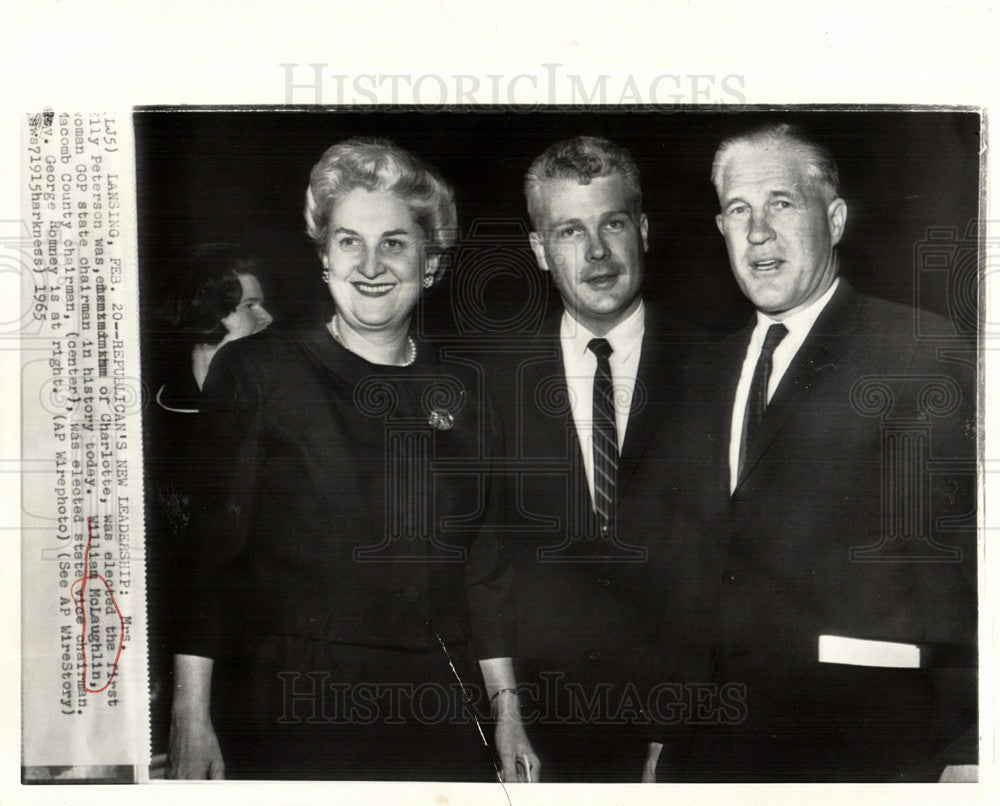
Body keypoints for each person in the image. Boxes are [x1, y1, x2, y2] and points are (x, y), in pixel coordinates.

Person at [167, 139, 538, 781]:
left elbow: (487, 574)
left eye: (394, 242)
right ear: (324, 257)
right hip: (293, 705)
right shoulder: (258, 372)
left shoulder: (472, 395)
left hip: (438, 705)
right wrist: (190, 716)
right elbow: (210, 566)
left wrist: (508, 714)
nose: (370, 264)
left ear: (431, 263)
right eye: (348, 241)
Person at [643, 122, 977, 782]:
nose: (757, 232)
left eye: (781, 203)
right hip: (711, 752)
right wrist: (666, 732)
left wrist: (970, 744)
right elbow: (692, 573)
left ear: (836, 218)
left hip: (867, 742)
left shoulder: (916, 351)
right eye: (739, 210)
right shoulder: (700, 373)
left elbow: (958, 559)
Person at [489, 136, 687, 781]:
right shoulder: (493, 381)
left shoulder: (717, 364)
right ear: (540, 251)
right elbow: (482, 565)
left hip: (692, 726)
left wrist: (677, 726)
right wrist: (507, 713)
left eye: (613, 224)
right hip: (539, 736)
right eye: (569, 231)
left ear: (645, 230)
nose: (597, 252)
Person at [143, 244, 272, 759]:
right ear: (204, 315)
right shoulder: (148, 422)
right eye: (250, 306)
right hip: (171, 672)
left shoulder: (268, 413)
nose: (268, 317)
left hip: (254, 673)